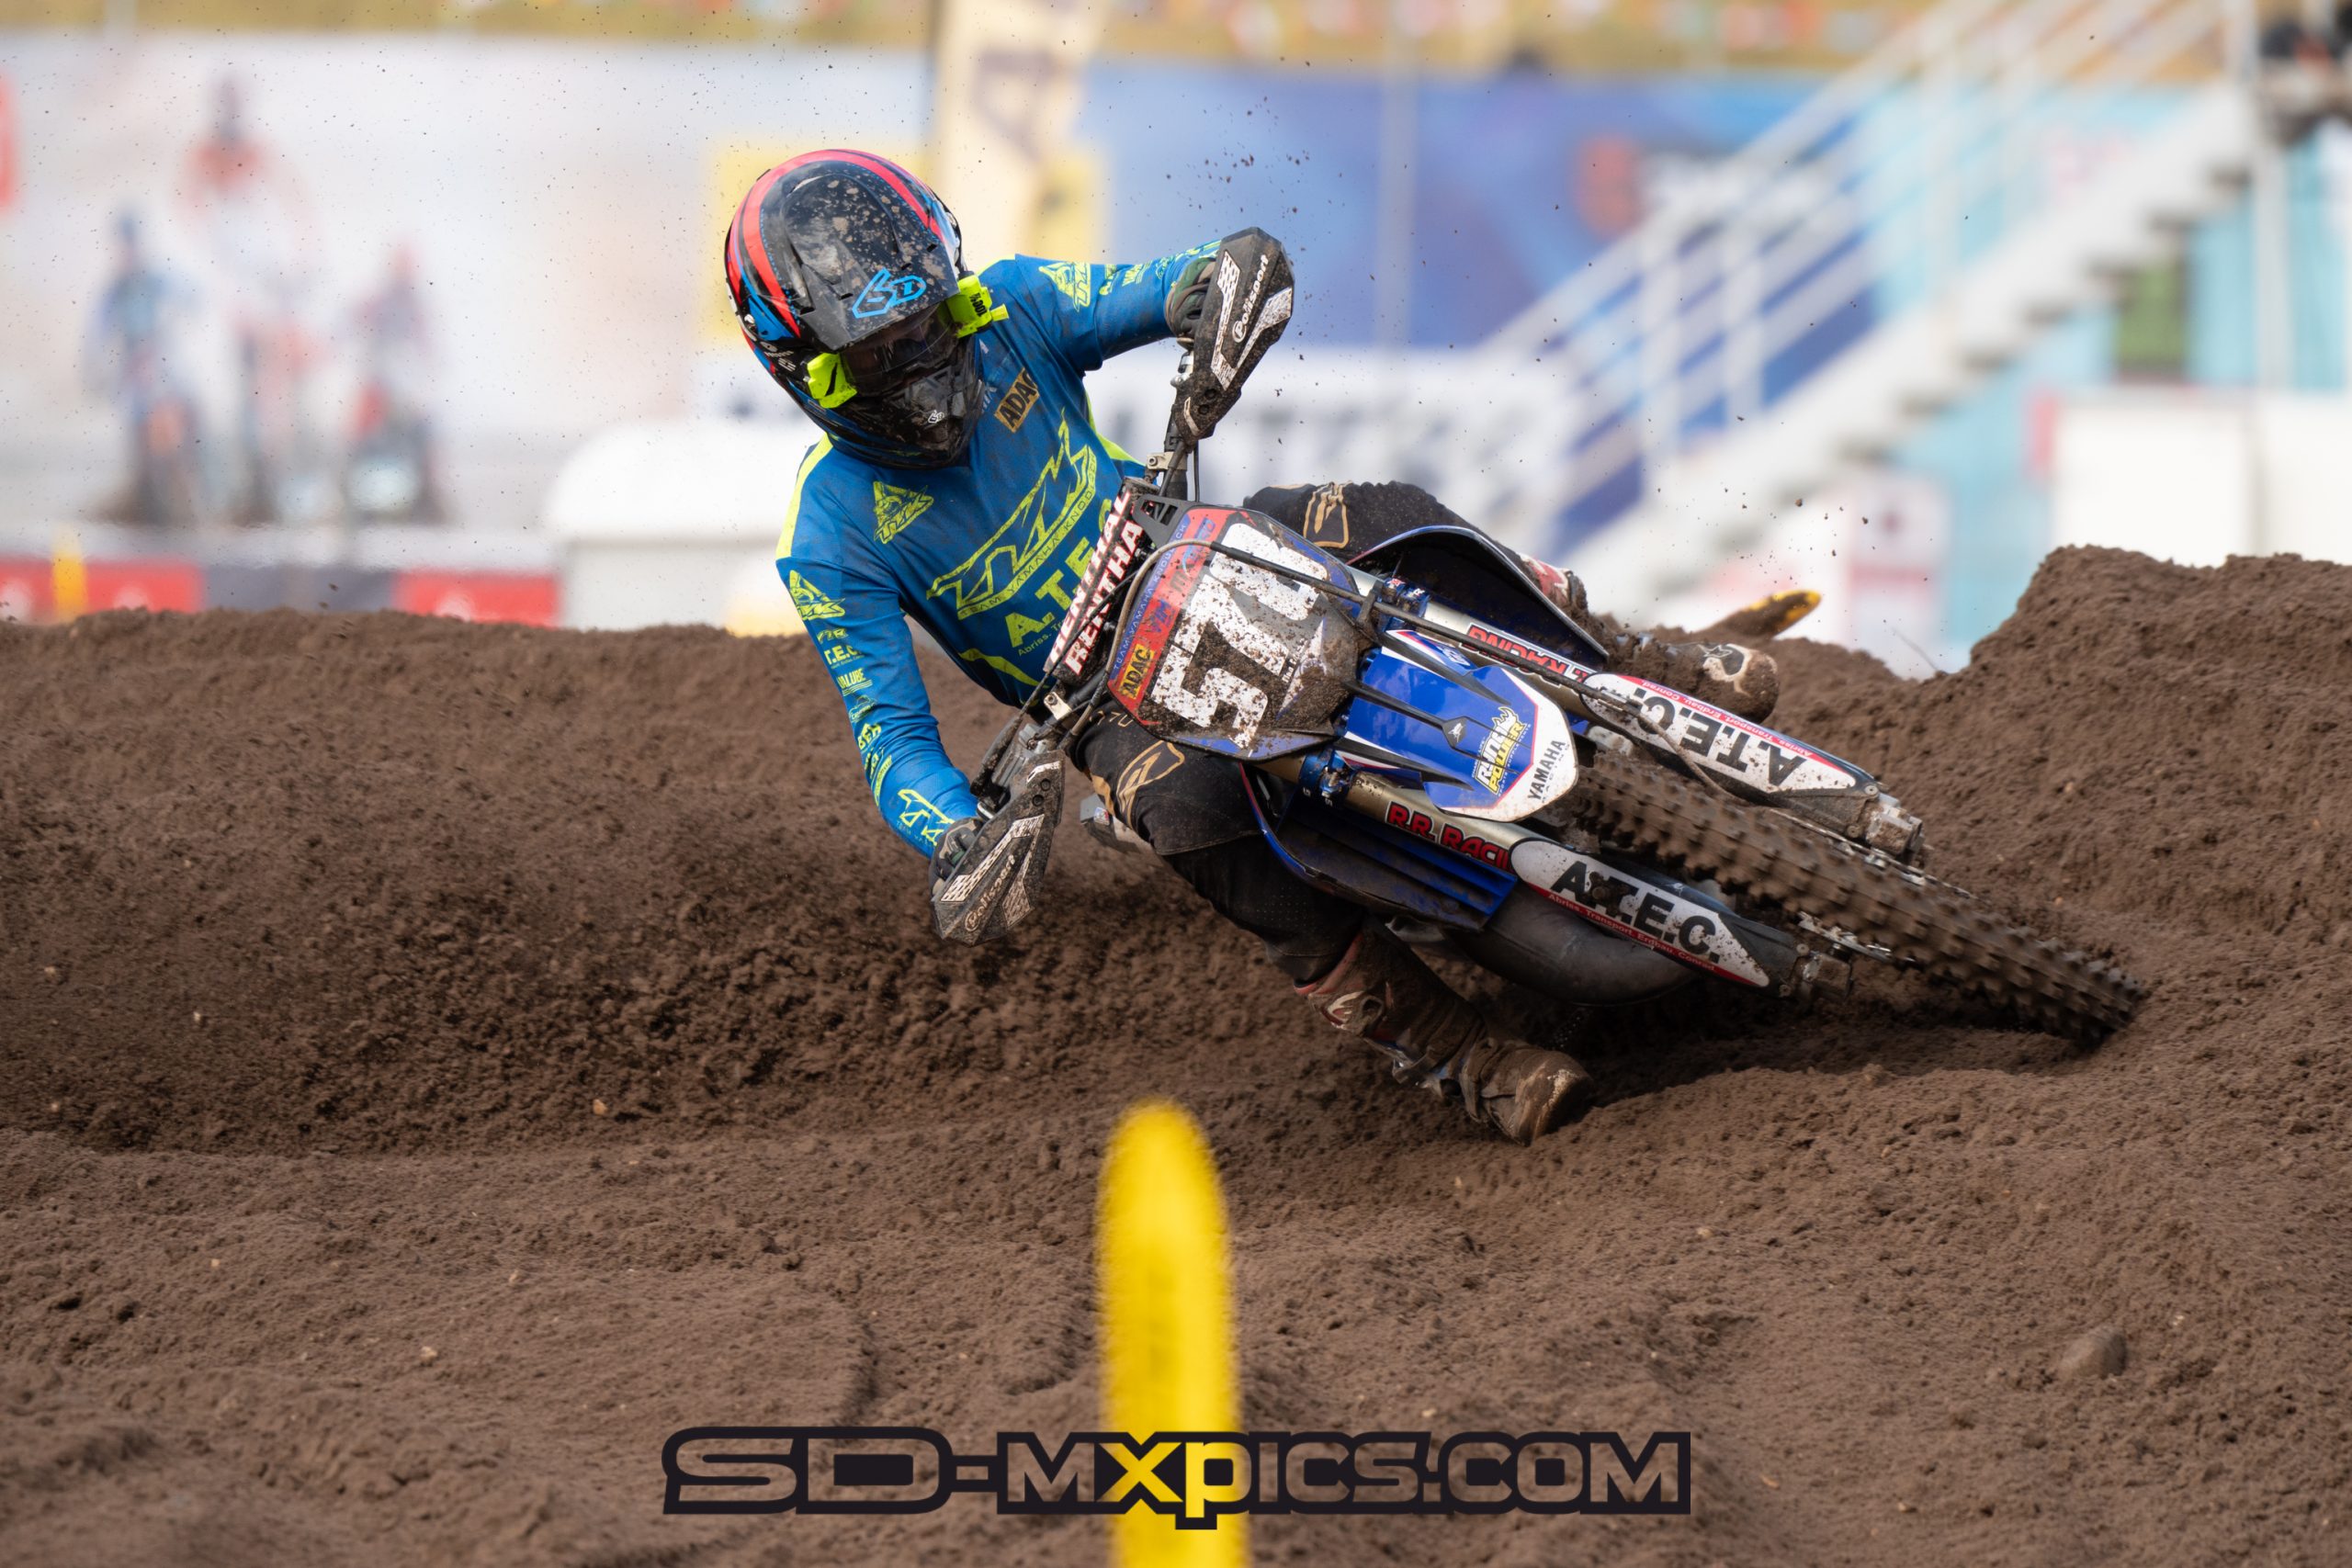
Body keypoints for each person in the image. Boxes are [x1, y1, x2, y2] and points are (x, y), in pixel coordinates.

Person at [726, 151, 1781, 1143]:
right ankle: (1460, 1054)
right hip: (1106, 704)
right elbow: (891, 741)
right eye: (878, 354)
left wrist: (1224, 288)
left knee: (1388, 515)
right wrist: (958, 835)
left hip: (1193, 542)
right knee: (1195, 820)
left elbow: (1195, 274)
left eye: (931, 322)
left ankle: (1640, 661)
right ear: (800, 368)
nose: (922, 360)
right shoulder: (830, 536)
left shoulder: (1014, 306)